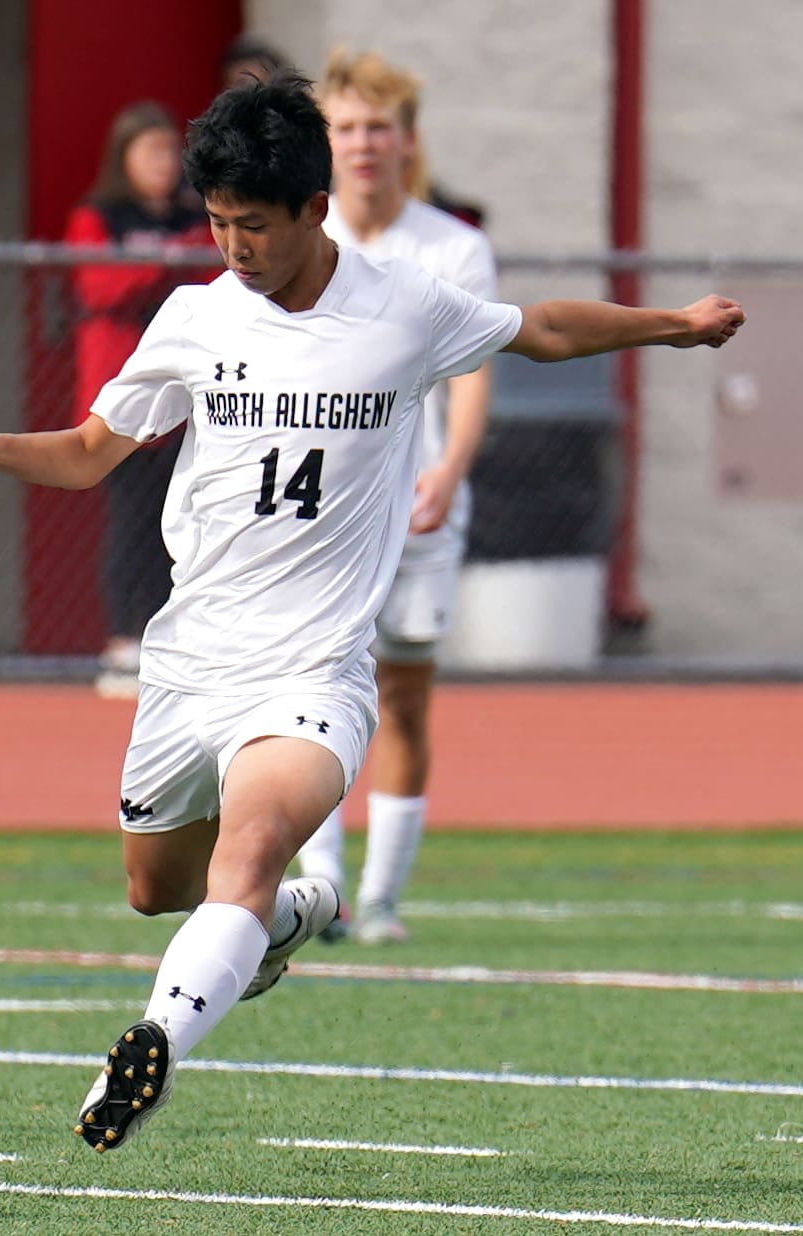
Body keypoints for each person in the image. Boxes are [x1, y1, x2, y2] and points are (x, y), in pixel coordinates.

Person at [0, 73, 743, 1153]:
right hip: (189, 664)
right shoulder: (196, 317)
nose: (233, 247)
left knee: (254, 844)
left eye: (253, 225)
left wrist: (672, 326)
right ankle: (287, 922)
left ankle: (154, 1042)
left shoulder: (401, 307)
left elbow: (539, 328)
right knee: (155, 889)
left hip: (312, 673)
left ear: (313, 208)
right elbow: (87, 451)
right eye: (217, 223)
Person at [296, 49, 499, 944]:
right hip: (318, 515)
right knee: (308, 695)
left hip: (415, 513)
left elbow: (475, 374)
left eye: (378, 126)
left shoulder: (452, 247)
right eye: (345, 127)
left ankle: (380, 898)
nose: (362, 143)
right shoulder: (301, 237)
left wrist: (447, 470)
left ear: (407, 140)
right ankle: (320, 890)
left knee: (404, 699)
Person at [64, 101, 214, 696]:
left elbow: (214, 280)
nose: (163, 163)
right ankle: (124, 641)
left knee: (180, 520)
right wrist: (166, 262)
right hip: (123, 394)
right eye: (149, 151)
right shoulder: (99, 217)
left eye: (169, 151)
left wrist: (173, 260)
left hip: (188, 393)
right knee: (130, 522)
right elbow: (99, 285)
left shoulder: (195, 217)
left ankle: (169, 642)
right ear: (122, 158)